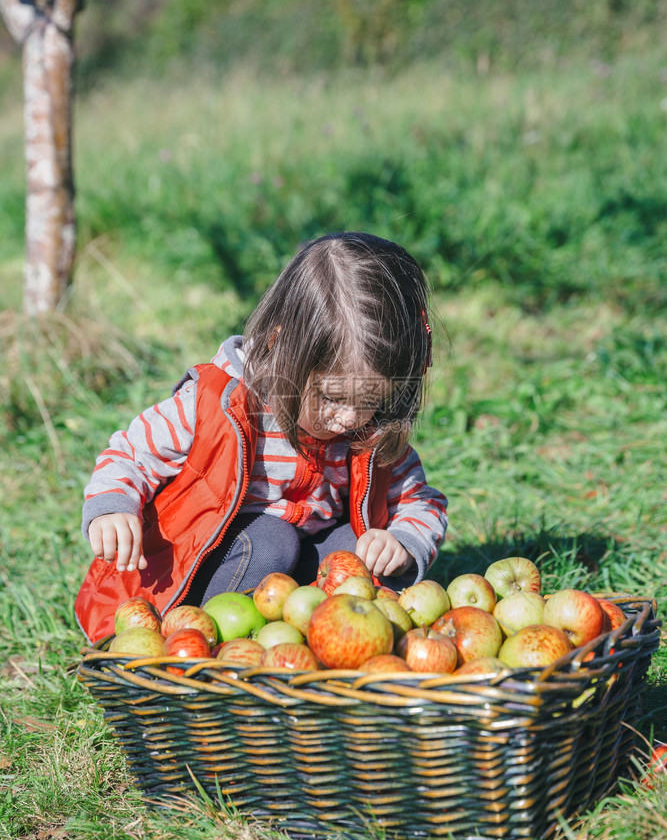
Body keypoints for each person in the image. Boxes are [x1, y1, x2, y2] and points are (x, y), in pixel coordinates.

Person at [75, 232, 448, 643]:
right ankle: (200, 645)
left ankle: (317, 646)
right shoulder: (217, 404)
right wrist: (113, 507)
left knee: (358, 552)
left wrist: (402, 541)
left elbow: (421, 500)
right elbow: (131, 453)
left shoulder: (371, 429)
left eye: (373, 400)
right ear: (280, 346)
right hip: (200, 572)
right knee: (272, 541)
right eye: (332, 397)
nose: (349, 419)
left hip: (291, 580)